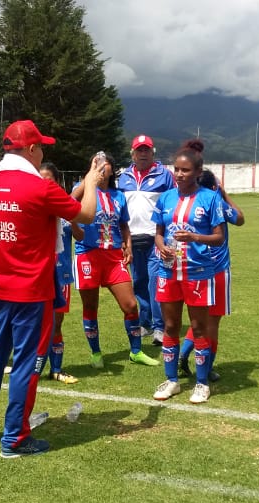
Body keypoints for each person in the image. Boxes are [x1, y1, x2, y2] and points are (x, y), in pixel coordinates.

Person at [0, 119, 99, 458]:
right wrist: (93, 181)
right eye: (40, 147)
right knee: (27, 363)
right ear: (30, 149)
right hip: (33, 291)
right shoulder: (39, 186)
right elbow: (85, 214)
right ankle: (14, 438)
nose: (42, 153)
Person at [151, 140, 225, 404]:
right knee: (171, 326)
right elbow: (158, 234)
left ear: (197, 171)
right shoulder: (166, 198)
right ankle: (172, 381)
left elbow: (219, 236)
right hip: (168, 271)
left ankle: (201, 384)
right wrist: (162, 248)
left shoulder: (209, 197)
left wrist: (194, 237)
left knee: (199, 327)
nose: (179, 174)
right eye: (176, 170)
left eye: (185, 170)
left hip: (198, 272)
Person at [70, 153, 160, 370]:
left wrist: (128, 245)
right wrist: (89, 177)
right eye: (97, 164)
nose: (101, 168)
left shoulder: (119, 195)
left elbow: (123, 225)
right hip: (88, 255)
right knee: (91, 306)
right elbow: (70, 201)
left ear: (111, 169)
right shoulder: (82, 189)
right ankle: (96, 353)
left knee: (130, 305)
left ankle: (136, 351)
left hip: (113, 257)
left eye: (104, 165)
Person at [179, 168, 244, 382]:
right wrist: (224, 194)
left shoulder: (189, 202)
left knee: (199, 319)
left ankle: (182, 354)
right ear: (215, 187)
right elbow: (240, 218)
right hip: (218, 270)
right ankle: (205, 368)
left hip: (195, 268)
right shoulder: (218, 203)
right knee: (212, 322)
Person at [117, 135, 176, 346]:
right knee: (139, 282)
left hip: (156, 238)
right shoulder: (123, 177)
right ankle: (145, 323)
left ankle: (160, 327)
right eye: (139, 150)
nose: (143, 153)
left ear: (153, 152)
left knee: (155, 281)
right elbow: (119, 208)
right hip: (132, 239)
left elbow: (173, 201)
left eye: (146, 150)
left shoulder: (165, 175)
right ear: (132, 153)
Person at [37, 161, 80, 384]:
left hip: (61, 273)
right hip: (38, 274)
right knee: (37, 322)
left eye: (49, 179)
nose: (44, 182)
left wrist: (73, 224)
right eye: (40, 178)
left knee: (56, 322)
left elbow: (80, 236)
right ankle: (33, 366)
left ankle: (56, 368)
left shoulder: (65, 206)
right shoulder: (32, 205)